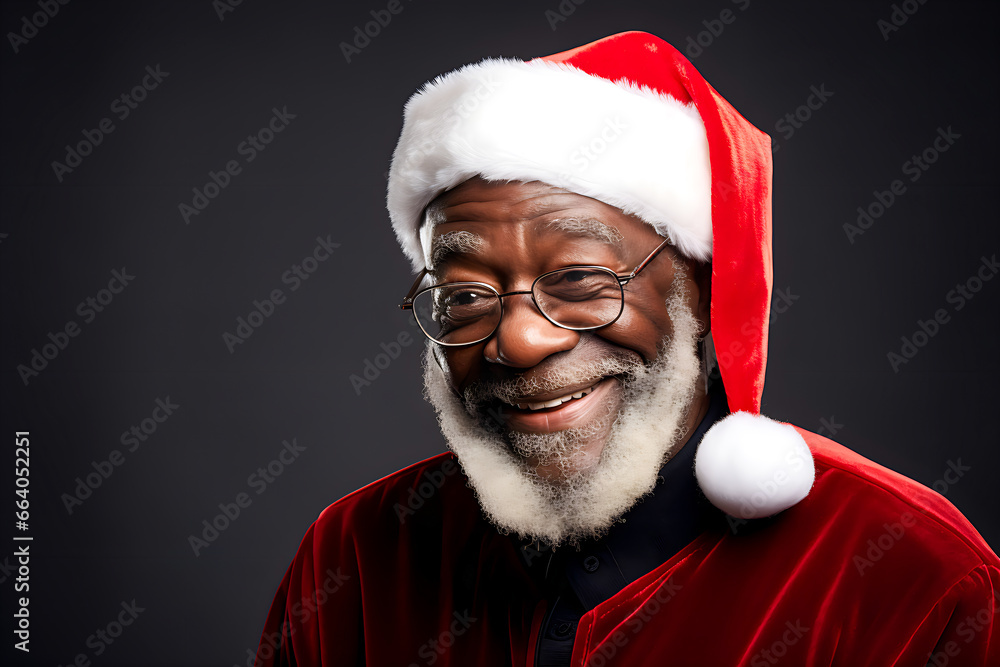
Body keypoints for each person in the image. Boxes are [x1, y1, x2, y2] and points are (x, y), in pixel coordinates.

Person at [256, 31, 998, 666]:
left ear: (705, 294)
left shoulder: (914, 577)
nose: (518, 340)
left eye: (580, 278)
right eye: (465, 297)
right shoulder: (352, 556)